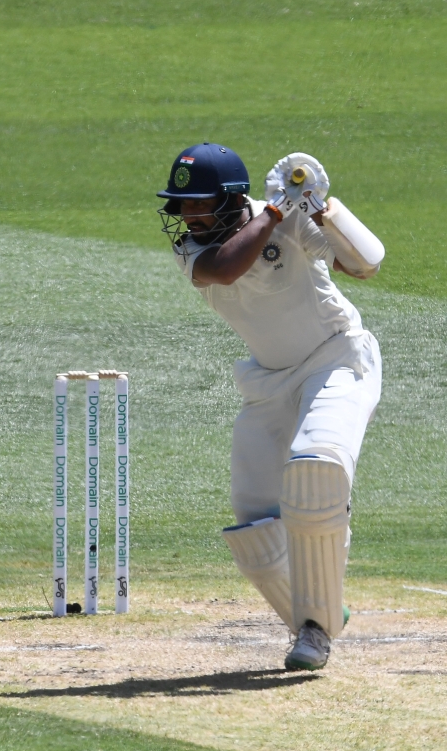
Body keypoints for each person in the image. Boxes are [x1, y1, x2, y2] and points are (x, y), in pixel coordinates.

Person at [157, 143, 384, 670]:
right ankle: (323, 611)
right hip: (268, 381)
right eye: (182, 206)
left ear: (234, 199)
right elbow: (229, 267)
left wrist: (319, 207)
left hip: (337, 359)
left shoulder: (283, 221)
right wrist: (281, 208)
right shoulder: (197, 251)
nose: (188, 216)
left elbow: (366, 264)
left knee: (316, 470)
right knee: (254, 521)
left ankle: (315, 631)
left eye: (199, 204)